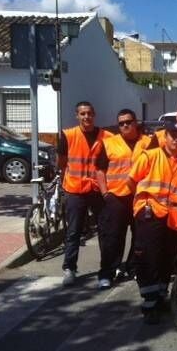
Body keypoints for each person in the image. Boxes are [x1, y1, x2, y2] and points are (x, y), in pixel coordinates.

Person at [127, 120, 177, 324]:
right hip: (150, 212)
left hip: (173, 215)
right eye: (173, 135)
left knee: (167, 257)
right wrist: (141, 202)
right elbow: (131, 181)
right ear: (165, 137)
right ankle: (149, 302)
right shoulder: (150, 156)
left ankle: (161, 295)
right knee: (149, 256)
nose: (176, 139)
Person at [57, 101, 112, 286]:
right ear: (77, 116)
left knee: (104, 231)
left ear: (94, 115)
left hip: (97, 189)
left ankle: (106, 271)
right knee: (73, 232)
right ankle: (69, 269)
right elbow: (61, 162)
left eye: (89, 113)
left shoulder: (106, 136)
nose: (86, 116)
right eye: (82, 113)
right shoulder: (68, 135)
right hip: (75, 190)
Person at [95, 109, 150, 288]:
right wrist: (105, 193)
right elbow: (99, 170)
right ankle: (107, 273)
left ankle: (133, 268)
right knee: (113, 237)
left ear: (135, 122)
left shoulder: (148, 142)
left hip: (140, 197)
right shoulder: (109, 143)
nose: (125, 125)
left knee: (140, 236)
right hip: (116, 197)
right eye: (121, 123)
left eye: (128, 122)